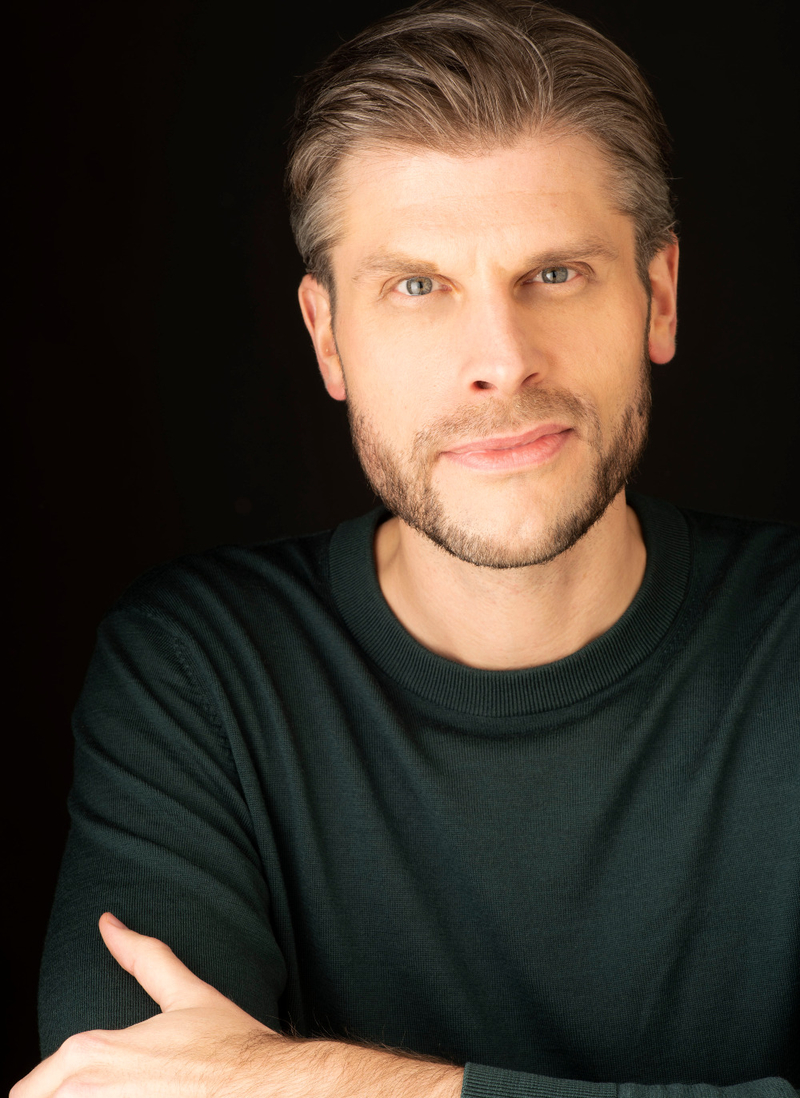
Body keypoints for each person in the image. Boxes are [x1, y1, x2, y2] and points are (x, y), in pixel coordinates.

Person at [14, 0, 799, 1095]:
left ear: (657, 299)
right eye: (418, 287)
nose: (501, 360)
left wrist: (309, 1081)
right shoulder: (199, 671)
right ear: (327, 336)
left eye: (555, 273)